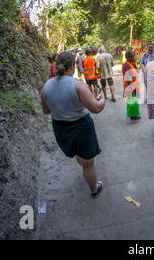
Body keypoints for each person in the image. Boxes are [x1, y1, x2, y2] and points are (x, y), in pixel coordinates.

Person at [41, 52, 106, 198]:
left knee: (78, 154)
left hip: (60, 128)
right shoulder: (77, 86)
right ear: (72, 66)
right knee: (89, 163)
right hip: (81, 128)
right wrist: (102, 99)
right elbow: (96, 108)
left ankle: (84, 167)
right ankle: (94, 189)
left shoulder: (46, 87)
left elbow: (46, 111)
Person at [122, 51, 141, 120]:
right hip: (130, 85)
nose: (133, 58)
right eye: (131, 57)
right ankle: (132, 115)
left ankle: (134, 114)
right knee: (132, 101)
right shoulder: (125, 65)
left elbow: (137, 72)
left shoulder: (131, 63)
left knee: (134, 101)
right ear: (127, 57)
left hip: (134, 85)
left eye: (133, 56)